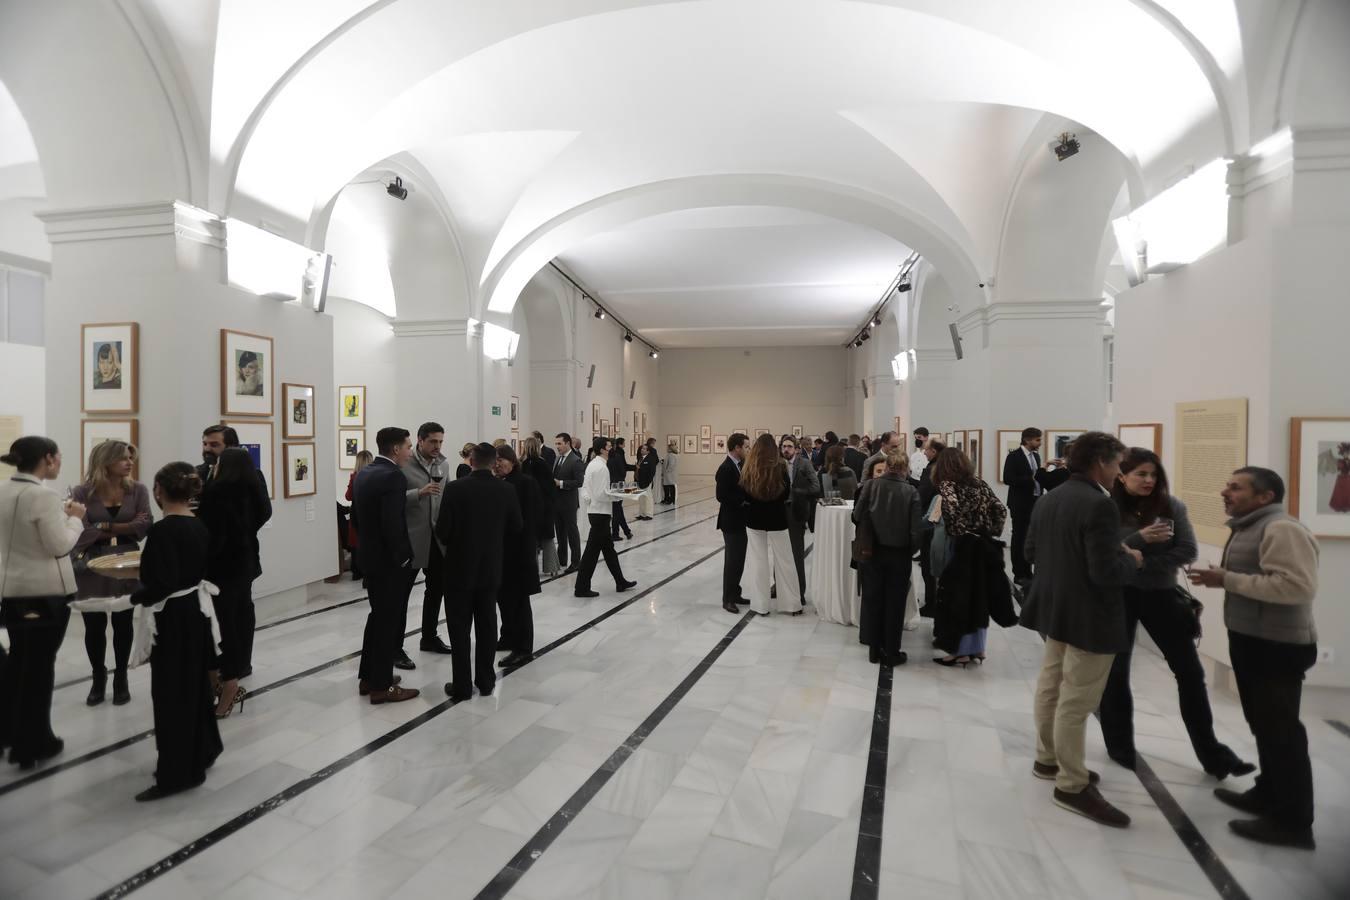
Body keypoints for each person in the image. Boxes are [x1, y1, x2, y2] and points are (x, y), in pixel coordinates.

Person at [1098, 449, 1252, 778]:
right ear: (1122, 476)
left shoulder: (1171, 507)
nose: (1149, 480)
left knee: (1190, 673)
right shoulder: (1106, 507)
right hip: (1118, 596)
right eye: (1141, 474)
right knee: (1116, 674)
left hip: (1161, 595)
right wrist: (1137, 543)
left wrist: (1140, 563)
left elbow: (1187, 549)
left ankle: (1213, 755)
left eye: (1153, 474)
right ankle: (1120, 746)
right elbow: (1102, 549)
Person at [1188, 467, 1321, 849]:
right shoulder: (1249, 526)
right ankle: (1268, 793)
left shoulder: (1281, 529)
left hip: (1278, 646)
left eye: (1235, 487)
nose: (1224, 492)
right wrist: (1227, 576)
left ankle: (1294, 822)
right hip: (1254, 641)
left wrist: (1225, 579)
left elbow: (1296, 587)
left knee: (1282, 733)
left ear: (1264, 497)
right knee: (1264, 725)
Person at [1020, 432, 1142, 828]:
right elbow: (1105, 571)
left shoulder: (1050, 498)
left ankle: (1047, 758)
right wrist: (1133, 559)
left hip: (1056, 607)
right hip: (1089, 614)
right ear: (1099, 464)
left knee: (1051, 685)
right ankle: (1071, 784)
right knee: (1076, 699)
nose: (1119, 472)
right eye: (1117, 465)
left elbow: (1029, 552)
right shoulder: (1098, 505)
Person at [128, 462, 222, 800]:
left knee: (172, 694)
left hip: (176, 617)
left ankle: (179, 772)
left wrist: (135, 595)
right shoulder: (197, 525)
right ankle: (204, 748)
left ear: (159, 491)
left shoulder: (164, 531)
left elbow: (162, 583)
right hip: (194, 614)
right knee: (194, 686)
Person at [0, 437, 83, 769]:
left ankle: (12, 734)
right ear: (47, 459)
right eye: (58, 456)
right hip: (45, 593)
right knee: (38, 670)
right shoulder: (43, 496)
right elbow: (59, 545)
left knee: (19, 665)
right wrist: (75, 518)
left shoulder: (4, 490)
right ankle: (33, 742)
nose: (60, 461)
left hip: (11, 591)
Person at [435, 443, 522, 700]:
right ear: (494, 462)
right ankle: (485, 681)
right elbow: (516, 526)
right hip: (490, 568)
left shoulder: (454, 489)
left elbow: (442, 530)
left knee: (459, 628)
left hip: (459, 568)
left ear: (471, 460)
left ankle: (461, 686)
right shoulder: (506, 490)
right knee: (487, 625)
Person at [71, 439, 151, 706]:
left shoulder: (138, 489)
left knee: (123, 622)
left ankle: (121, 678)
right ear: (106, 461)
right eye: (124, 459)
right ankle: (98, 678)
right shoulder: (82, 492)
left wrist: (105, 526)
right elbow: (80, 530)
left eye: (131, 458)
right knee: (94, 625)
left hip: (127, 562)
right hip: (91, 563)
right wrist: (121, 526)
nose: (130, 463)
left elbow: (144, 523)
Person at [196, 447, 268, 717]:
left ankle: (226, 686)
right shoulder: (251, 492)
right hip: (244, 567)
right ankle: (229, 681)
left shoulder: (217, 495)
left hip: (220, 571)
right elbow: (262, 516)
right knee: (234, 624)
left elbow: (212, 537)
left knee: (220, 628)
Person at [351, 427, 420, 704]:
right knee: (387, 622)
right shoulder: (393, 476)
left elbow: (356, 518)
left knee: (377, 618)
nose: (410, 452)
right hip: (390, 563)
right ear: (395, 449)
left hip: (370, 558)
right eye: (407, 447)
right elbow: (393, 524)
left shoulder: (365, 472)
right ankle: (382, 686)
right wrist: (403, 557)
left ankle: (369, 677)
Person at [929, 448, 1015, 665]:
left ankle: (960, 650)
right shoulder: (979, 483)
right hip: (984, 545)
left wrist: (961, 532)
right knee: (979, 595)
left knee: (959, 597)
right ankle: (978, 648)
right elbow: (1000, 509)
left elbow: (953, 510)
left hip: (964, 546)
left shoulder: (948, 484)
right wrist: (990, 530)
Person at [853, 451, 921, 665]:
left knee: (873, 600)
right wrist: (910, 551)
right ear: (904, 468)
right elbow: (916, 532)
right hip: (899, 554)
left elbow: (855, 515)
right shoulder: (911, 492)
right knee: (895, 603)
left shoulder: (871, 486)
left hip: (872, 551)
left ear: (888, 465)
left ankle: (874, 650)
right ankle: (891, 652)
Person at [402, 422, 452, 660]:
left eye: (440, 441)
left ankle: (429, 637)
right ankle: (395, 647)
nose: (437, 446)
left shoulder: (443, 463)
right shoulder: (404, 465)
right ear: (420, 440)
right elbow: (393, 499)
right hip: (411, 540)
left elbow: (447, 497)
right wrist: (417, 493)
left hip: (437, 539)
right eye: (433, 441)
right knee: (400, 597)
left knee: (436, 591)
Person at [495, 445, 546, 668]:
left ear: (512, 461)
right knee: (503, 598)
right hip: (502, 552)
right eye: (495, 461)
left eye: (501, 460)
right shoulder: (499, 483)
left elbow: (532, 518)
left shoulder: (525, 483)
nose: (497, 464)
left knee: (519, 601)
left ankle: (523, 648)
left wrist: (530, 549)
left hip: (519, 551)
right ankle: (507, 637)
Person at [740, 433, 800, 616]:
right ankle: (791, 605)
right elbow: (786, 491)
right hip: (777, 518)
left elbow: (745, 492)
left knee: (758, 562)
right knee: (785, 560)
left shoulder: (748, 466)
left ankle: (760, 605)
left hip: (754, 518)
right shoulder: (780, 466)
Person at [574, 437, 638, 599]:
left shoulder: (593, 465)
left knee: (609, 551)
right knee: (591, 554)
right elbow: (601, 494)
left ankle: (620, 581)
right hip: (600, 513)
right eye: (609, 446)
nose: (612, 449)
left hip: (595, 512)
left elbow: (588, 491)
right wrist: (621, 494)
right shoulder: (601, 468)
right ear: (603, 449)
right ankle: (581, 587)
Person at [1003, 427, 1052, 589]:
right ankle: (1019, 573)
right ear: (1027, 440)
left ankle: (1028, 570)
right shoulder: (1014, 456)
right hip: (1019, 503)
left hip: (1035, 502)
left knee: (1030, 538)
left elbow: (1038, 477)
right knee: (1019, 538)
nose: (1040, 443)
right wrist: (1031, 478)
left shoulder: (1036, 457)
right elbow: (1008, 478)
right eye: (1037, 440)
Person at [781, 436, 819, 602]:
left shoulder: (804, 463)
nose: (786, 449)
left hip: (796, 512)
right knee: (780, 553)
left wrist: (799, 492)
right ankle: (780, 588)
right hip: (779, 513)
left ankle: (800, 592)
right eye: (784, 447)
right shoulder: (778, 464)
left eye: (789, 446)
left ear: (796, 449)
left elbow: (816, 486)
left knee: (797, 554)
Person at [716, 433, 750, 614]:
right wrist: (741, 501)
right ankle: (728, 599)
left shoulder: (740, 465)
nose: (747, 450)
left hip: (741, 520)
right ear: (737, 448)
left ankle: (736, 593)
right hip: (731, 521)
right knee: (732, 561)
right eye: (746, 447)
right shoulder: (726, 468)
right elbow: (721, 495)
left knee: (739, 560)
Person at [521, 436, 561, 576]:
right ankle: (551, 568)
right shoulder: (542, 464)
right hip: (545, 506)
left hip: (529, 508)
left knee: (531, 540)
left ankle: (532, 569)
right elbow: (550, 486)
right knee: (548, 539)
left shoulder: (523, 465)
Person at [552, 433, 585, 572]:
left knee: (572, 533)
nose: (557, 446)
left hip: (569, 503)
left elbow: (579, 482)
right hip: (557, 502)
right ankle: (562, 559)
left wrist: (561, 483)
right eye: (556, 444)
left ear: (567, 443)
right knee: (560, 533)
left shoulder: (575, 460)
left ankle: (576, 562)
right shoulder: (557, 459)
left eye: (559, 444)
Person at [344, 450, 374, 579]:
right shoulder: (375, 477)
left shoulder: (355, 477)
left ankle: (356, 572)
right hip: (370, 513)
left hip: (356, 512)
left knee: (356, 542)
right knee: (369, 542)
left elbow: (348, 496)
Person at [608, 436, 634, 541]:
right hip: (618, 483)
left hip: (610, 484)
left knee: (617, 509)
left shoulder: (606, 458)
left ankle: (625, 531)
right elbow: (622, 471)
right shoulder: (617, 456)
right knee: (617, 509)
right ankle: (619, 533)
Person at [634, 443, 658, 520]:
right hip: (639, 481)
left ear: (648, 451)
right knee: (641, 498)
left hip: (647, 481)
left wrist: (649, 481)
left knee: (648, 498)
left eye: (644, 449)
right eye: (642, 448)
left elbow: (652, 472)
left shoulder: (650, 459)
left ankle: (649, 514)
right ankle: (642, 513)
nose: (642, 450)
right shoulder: (640, 458)